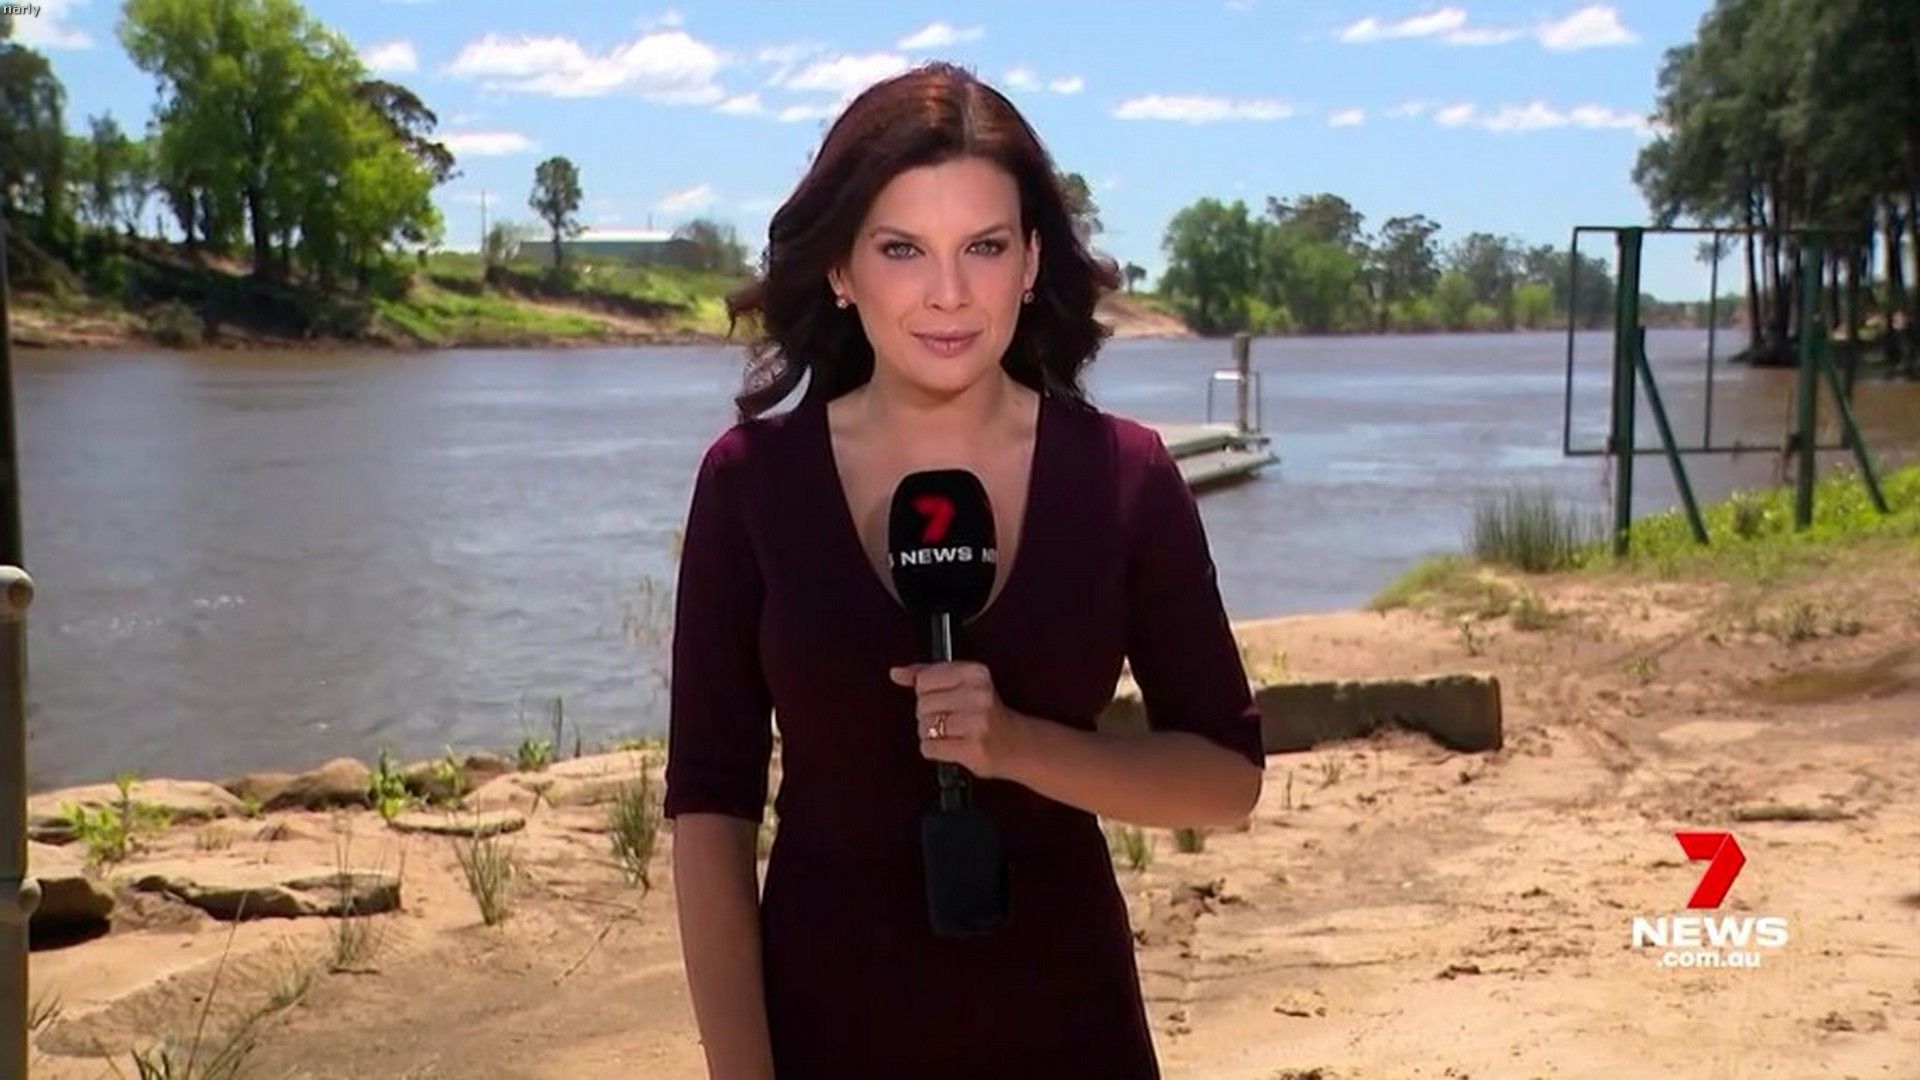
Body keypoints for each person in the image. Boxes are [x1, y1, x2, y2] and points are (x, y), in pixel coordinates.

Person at [663, 61, 1266, 1080]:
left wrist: (1021, 745)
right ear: (841, 270)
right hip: (828, 1029)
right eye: (902, 248)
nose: (948, 293)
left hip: (1070, 1033)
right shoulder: (751, 483)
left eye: (984, 246)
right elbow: (710, 811)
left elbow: (1227, 779)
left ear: (1031, 261)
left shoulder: (1125, 477)